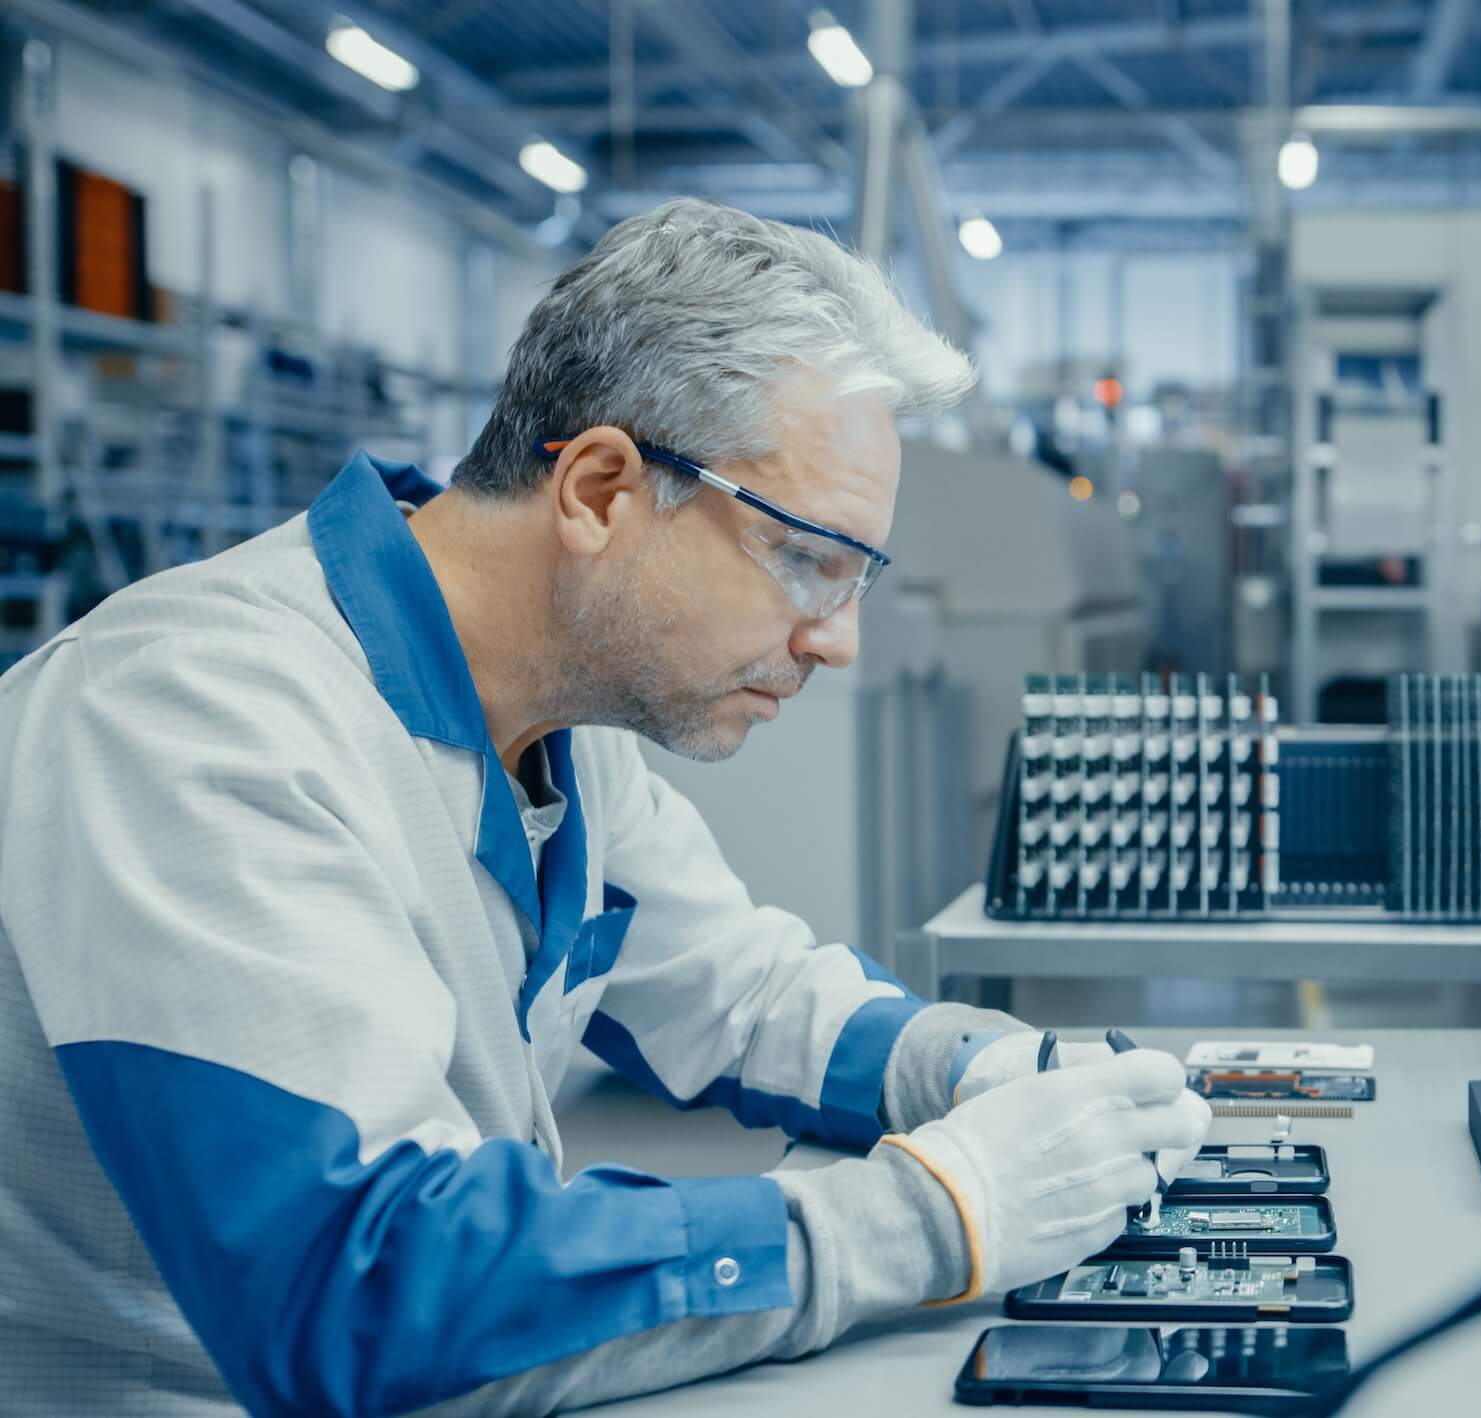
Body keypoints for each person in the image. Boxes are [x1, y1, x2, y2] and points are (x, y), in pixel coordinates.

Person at [0, 197, 1210, 1416]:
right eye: (808, 560)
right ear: (596, 488)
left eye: (859, 580)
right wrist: (934, 1213)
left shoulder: (551, 726)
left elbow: (743, 1000)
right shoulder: (192, 711)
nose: (837, 640)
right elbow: (358, 1288)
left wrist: (992, 1067)